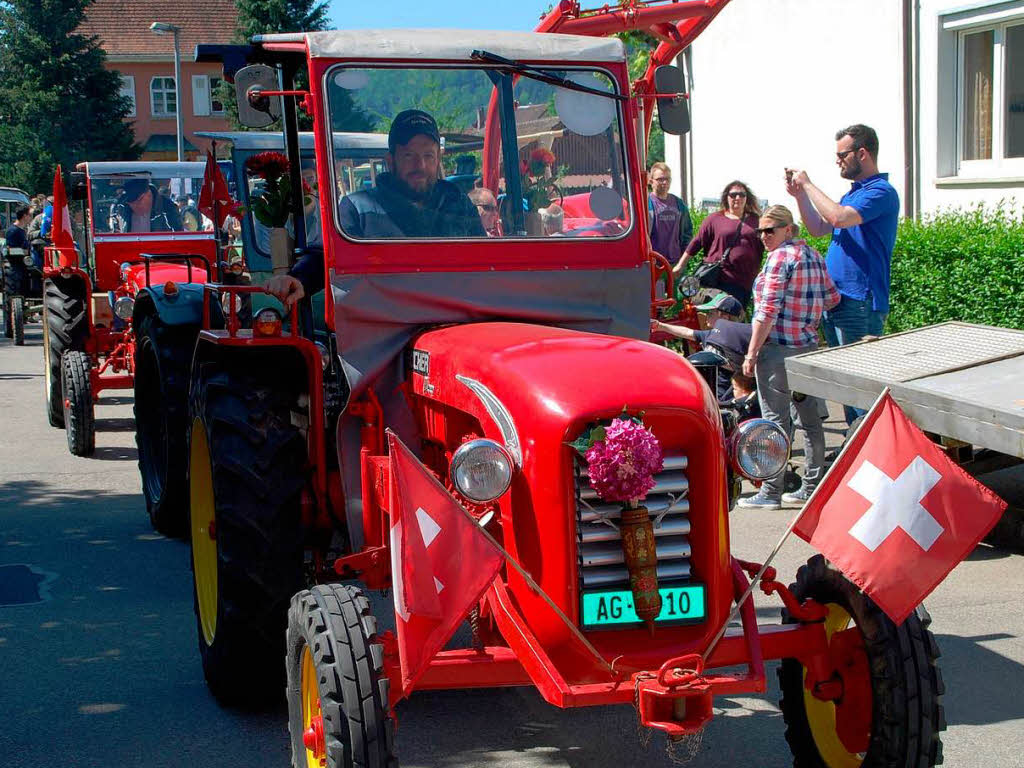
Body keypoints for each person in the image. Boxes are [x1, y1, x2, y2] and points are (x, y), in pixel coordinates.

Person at [268, 109, 484, 306]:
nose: (420, 166)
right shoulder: (357, 208)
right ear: (391, 161)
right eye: (409, 155)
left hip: (455, 318)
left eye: (428, 156)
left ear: (439, 160)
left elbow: (486, 261)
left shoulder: (459, 204)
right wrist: (298, 278)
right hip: (385, 329)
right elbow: (324, 255)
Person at [786, 124, 899, 424]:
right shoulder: (852, 194)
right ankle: (855, 446)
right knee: (847, 389)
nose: (837, 160)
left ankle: (868, 451)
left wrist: (808, 184)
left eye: (842, 154)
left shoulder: (881, 192)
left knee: (862, 390)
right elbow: (819, 227)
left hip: (860, 302)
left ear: (863, 153)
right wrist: (799, 195)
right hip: (837, 301)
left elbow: (837, 217)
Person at [736, 205, 839, 510]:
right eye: (761, 231)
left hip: (777, 351)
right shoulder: (814, 256)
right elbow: (833, 299)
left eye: (771, 230)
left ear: (789, 230)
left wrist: (751, 353)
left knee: (774, 423)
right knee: (810, 422)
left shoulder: (779, 259)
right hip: (807, 349)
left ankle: (770, 491)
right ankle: (810, 487)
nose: (764, 236)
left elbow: (766, 312)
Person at [673, 180, 763, 306]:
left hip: (743, 282)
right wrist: (680, 265)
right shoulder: (714, 219)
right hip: (719, 280)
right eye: (733, 195)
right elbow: (696, 242)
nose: (737, 198)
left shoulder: (757, 221)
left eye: (742, 194)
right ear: (727, 197)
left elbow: (766, 243)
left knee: (735, 320)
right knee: (716, 317)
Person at [653, 293, 748, 401]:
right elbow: (688, 332)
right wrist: (660, 326)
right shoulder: (711, 334)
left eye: (710, 313)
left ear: (724, 317)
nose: (706, 315)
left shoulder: (737, 339)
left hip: (724, 398)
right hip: (708, 393)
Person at [647, 162, 692, 264]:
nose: (664, 182)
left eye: (667, 179)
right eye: (660, 179)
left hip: (675, 262)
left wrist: (683, 259)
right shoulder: (646, 203)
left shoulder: (679, 203)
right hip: (654, 263)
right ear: (651, 181)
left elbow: (687, 232)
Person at [110, 179, 183, 233]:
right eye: (131, 204)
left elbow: (178, 236)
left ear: (149, 195)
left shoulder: (167, 208)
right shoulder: (121, 207)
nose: (135, 207)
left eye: (138, 202)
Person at [4, 206, 33, 295]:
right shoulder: (13, 231)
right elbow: (11, 250)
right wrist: (26, 252)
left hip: (24, 263)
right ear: (25, 216)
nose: (31, 217)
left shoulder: (22, 231)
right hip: (16, 264)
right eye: (30, 215)